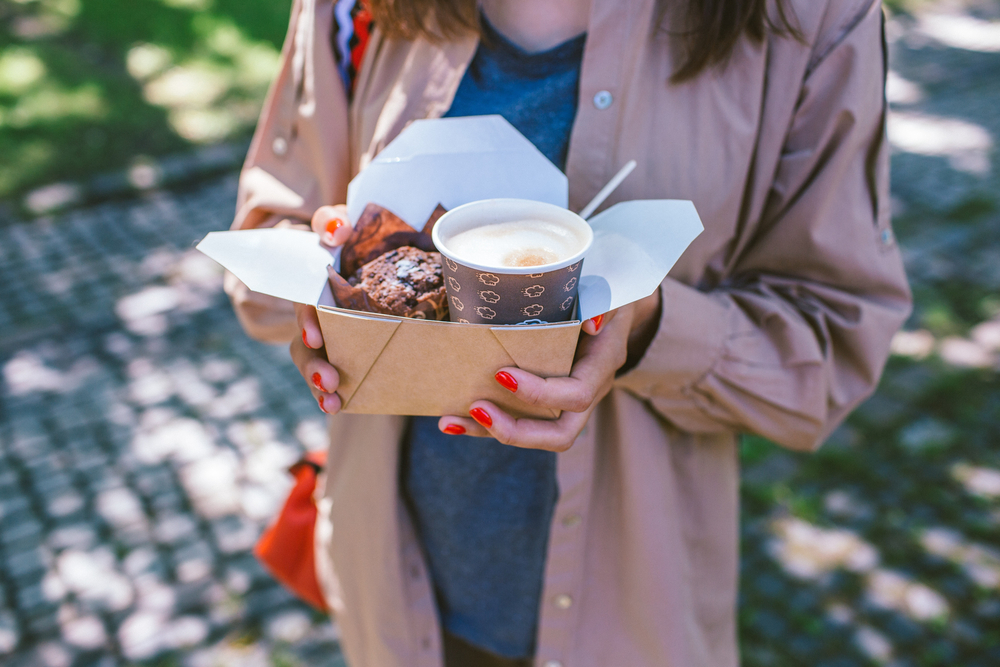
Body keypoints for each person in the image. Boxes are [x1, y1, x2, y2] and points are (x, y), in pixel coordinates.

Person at [224, 0, 912, 665]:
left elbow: (831, 352)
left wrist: (646, 331)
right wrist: (326, 274)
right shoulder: (350, 9)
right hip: (396, 608)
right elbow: (261, 257)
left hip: (637, 622)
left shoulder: (811, 17)